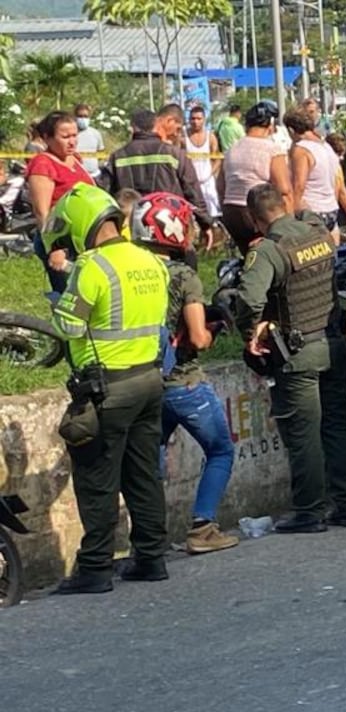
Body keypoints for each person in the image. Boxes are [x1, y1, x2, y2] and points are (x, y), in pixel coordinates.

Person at [46, 184, 171, 594]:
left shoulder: (91, 267)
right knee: (142, 475)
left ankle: (96, 568)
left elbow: (69, 326)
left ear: (83, 225)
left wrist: (60, 289)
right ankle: (151, 557)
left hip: (108, 389)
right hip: (149, 380)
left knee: (97, 478)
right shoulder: (150, 260)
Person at [235, 184, 346, 532]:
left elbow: (248, 299)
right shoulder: (318, 233)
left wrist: (251, 333)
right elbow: (307, 212)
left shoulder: (270, 252)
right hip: (334, 346)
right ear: (285, 204)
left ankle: (309, 510)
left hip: (299, 352)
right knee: (335, 426)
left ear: (252, 218)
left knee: (304, 432)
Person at [131, 192, 240, 554]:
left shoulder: (132, 270)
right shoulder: (183, 276)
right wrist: (214, 328)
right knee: (221, 450)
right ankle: (202, 528)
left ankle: (148, 538)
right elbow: (197, 337)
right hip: (184, 382)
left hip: (142, 382)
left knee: (151, 463)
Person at [101, 108, 215, 249]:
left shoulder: (117, 157)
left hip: (132, 231)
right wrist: (205, 223)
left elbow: (104, 194)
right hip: (170, 229)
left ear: (133, 128)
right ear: (156, 126)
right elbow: (192, 191)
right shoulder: (175, 154)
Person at [25, 110, 94, 292]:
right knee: (70, 297)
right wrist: (54, 247)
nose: (72, 141)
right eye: (65, 137)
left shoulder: (75, 159)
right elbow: (42, 212)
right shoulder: (43, 164)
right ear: (47, 138)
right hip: (60, 242)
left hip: (83, 240)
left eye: (74, 136)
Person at [218, 101, 292, 254]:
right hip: (258, 212)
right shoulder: (272, 149)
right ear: (270, 125)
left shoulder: (231, 150)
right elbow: (284, 188)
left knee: (247, 255)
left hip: (232, 212)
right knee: (270, 254)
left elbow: (220, 187)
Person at [284, 106, 346, 240]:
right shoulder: (327, 147)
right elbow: (337, 182)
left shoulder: (301, 150)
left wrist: (291, 215)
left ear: (291, 130)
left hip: (313, 211)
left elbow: (299, 186)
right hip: (331, 210)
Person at [184, 105, 222, 226]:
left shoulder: (211, 137)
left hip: (207, 182)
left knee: (212, 213)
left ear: (204, 120)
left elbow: (217, 159)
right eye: (193, 118)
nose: (195, 121)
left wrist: (209, 174)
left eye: (199, 118)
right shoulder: (183, 137)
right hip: (190, 181)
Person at [74, 104, 105, 180]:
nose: (83, 119)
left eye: (85, 116)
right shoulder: (71, 133)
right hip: (76, 176)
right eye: (80, 116)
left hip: (94, 176)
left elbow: (101, 154)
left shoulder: (95, 133)